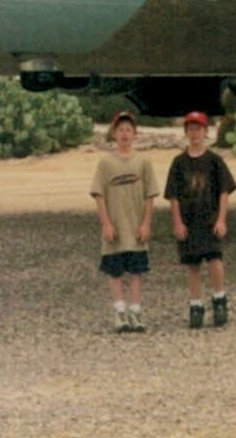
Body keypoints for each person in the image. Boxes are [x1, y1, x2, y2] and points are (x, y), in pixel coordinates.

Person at [164, 110, 236, 328]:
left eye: (199, 129)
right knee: (192, 265)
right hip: (189, 221)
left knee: (215, 259)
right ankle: (196, 304)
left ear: (206, 132)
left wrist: (222, 219)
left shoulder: (214, 161)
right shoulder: (178, 162)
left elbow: (224, 191)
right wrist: (177, 222)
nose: (195, 133)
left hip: (210, 219)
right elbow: (173, 195)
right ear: (186, 132)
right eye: (191, 129)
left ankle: (219, 298)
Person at [90, 111, 158, 333]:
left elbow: (150, 195)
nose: (124, 134)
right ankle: (120, 313)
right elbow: (98, 194)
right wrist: (106, 224)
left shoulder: (143, 162)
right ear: (114, 134)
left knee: (136, 272)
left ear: (135, 134)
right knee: (115, 272)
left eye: (128, 130)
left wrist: (146, 223)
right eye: (120, 130)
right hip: (115, 228)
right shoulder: (105, 163)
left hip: (136, 228)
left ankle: (136, 312)